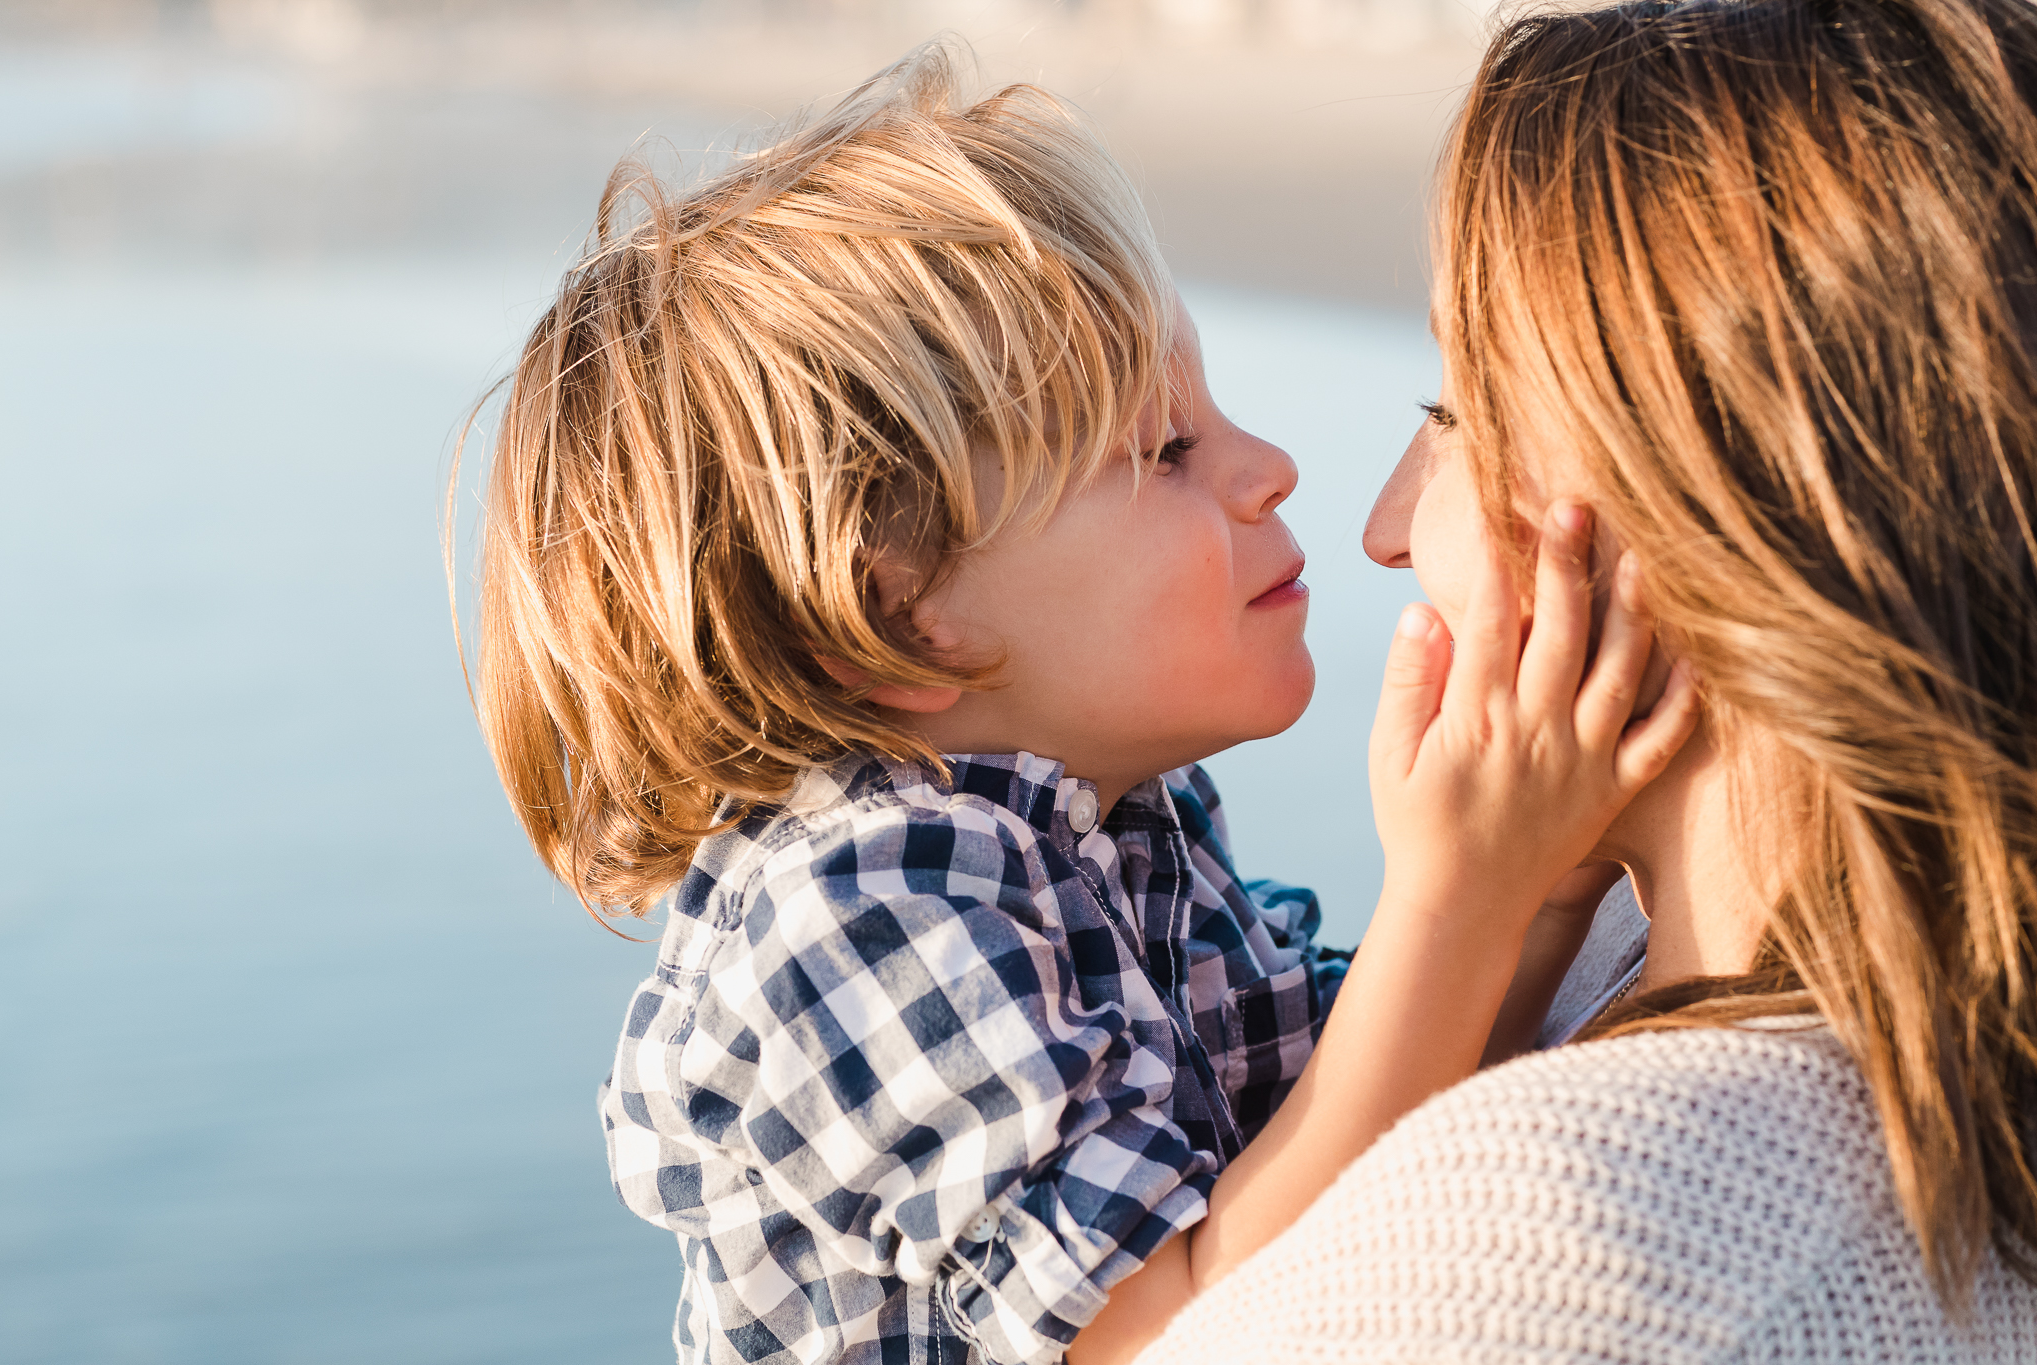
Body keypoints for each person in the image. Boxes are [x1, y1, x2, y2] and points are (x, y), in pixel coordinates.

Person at [459, 43, 1700, 1365]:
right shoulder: (862, 921)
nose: (1271, 469)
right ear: (902, 613)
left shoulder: (1102, 825)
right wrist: (1460, 888)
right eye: (1164, 451)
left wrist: (1543, 883)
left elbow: (1363, 1122)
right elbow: (1192, 1329)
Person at [1131, 0, 2037, 1359]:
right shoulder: (1653, 959)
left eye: (1455, 408)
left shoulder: (1541, 1252)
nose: (1382, 527)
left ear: (1705, 505)